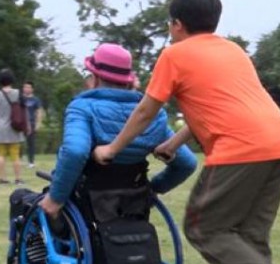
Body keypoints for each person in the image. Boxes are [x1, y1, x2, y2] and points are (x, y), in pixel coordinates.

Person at [93, 0, 280, 264]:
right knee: (248, 237)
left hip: (239, 149)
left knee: (203, 227)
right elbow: (217, 105)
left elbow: (147, 110)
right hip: (278, 145)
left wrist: (112, 148)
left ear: (176, 24)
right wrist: (174, 143)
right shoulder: (233, 52)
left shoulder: (174, 55)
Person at [38, 43, 197, 217]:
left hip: (86, 200)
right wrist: (152, 190)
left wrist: (56, 199)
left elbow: (75, 152)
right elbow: (187, 163)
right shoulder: (152, 116)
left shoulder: (82, 108)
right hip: (133, 203)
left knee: (21, 200)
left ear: (95, 78)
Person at [0, 68, 26, 185]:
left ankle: (2, 178)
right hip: (14, 126)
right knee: (15, 155)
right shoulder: (17, 93)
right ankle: (18, 178)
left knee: (1, 154)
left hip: (0, 127)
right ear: (12, 79)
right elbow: (23, 110)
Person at [22, 81, 45, 168]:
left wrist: (38, 123)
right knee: (19, 142)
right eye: (25, 87)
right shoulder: (21, 99)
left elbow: (39, 111)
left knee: (31, 143)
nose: (26, 89)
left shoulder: (35, 100)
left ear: (32, 89)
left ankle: (31, 161)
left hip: (31, 124)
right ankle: (20, 160)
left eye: (28, 87)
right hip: (22, 124)